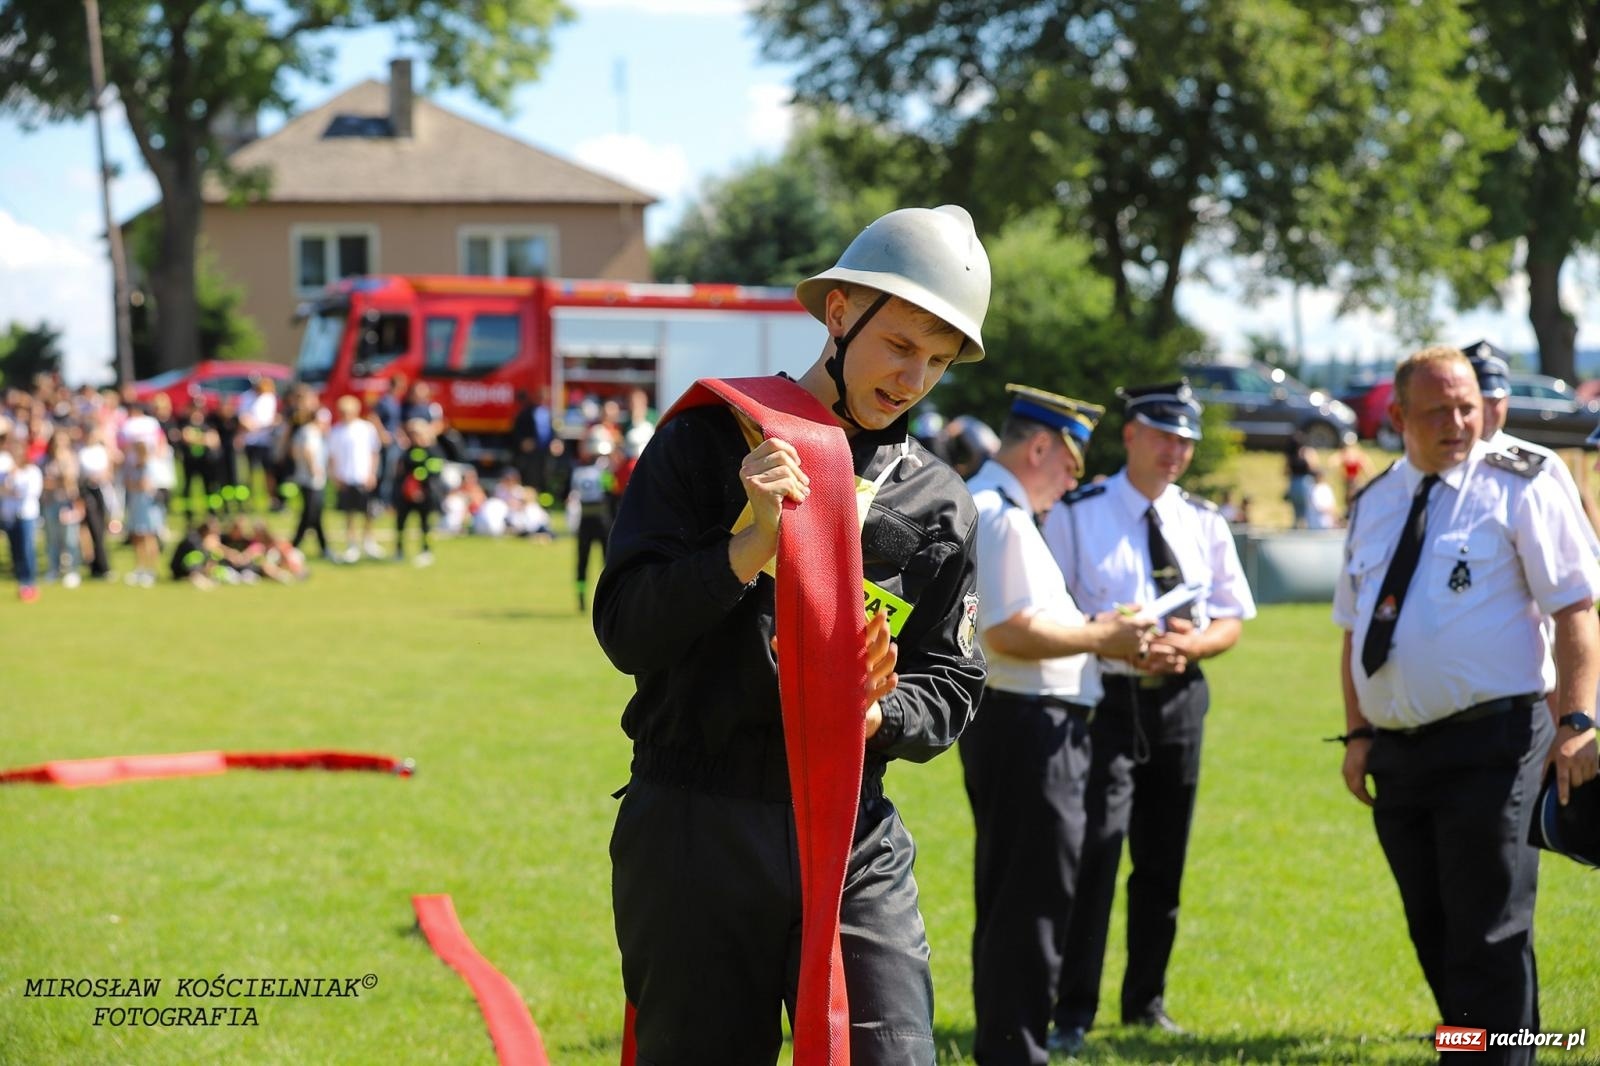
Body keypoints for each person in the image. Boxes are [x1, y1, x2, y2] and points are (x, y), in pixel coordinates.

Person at [593, 204, 992, 1065]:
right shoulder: (707, 439)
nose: (914, 376)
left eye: (938, 359)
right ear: (841, 314)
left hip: (853, 832)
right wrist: (746, 548)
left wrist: (878, 716)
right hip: (695, 823)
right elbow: (626, 630)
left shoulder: (938, 502)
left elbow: (952, 684)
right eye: (900, 344)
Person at [1334, 346, 1599, 1064]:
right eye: (1437, 411)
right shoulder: (1376, 500)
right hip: (1400, 751)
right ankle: (1486, 1051)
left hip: (1497, 741)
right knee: (1435, 929)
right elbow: (1356, 630)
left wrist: (1577, 723)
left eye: (1467, 408)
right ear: (1397, 419)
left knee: (1488, 931)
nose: (1457, 423)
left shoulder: (1524, 481)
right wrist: (1358, 734)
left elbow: (1576, 607)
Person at [1043, 379, 1256, 1051]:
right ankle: (1072, 1011)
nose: (1176, 452)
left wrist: (1192, 645)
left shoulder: (1203, 518)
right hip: (1105, 702)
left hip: (1179, 701)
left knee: (1163, 863)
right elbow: (1054, 611)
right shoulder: (1078, 512)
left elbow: (1230, 618)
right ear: (1131, 434)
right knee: (1097, 855)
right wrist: (1114, 635)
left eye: (1186, 441)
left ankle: (1145, 1003)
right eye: (1164, 436)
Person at [960, 385, 1151, 1066]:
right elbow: (1010, 631)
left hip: (1025, 726)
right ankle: (1016, 1051)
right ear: (1039, 447)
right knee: (1032, 904)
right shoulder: (1004, 516)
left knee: (1021, 896)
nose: (1073, 480)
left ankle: (1010, 1043)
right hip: (1030, 727)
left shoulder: (997, 507)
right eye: (1069, 463)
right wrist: (1105, 636)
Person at [327, 395, 383, 562]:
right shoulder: (336, 431)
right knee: (349, 513)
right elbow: (332, 457)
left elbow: (374, 453)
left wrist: (372, 473)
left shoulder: (366, 428)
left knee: (368, 512)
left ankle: (368, 541)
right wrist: (335, 476)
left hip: (363, 476)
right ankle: (352, 544)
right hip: (345, 477)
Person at [569, 430, 617, 611]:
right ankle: (609, 598)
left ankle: (581, 599)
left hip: (585, 521)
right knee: (606, 563)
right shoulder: (604, 470)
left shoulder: (578, 470)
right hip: (603, 521)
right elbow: (611, 491)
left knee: (583, 563)